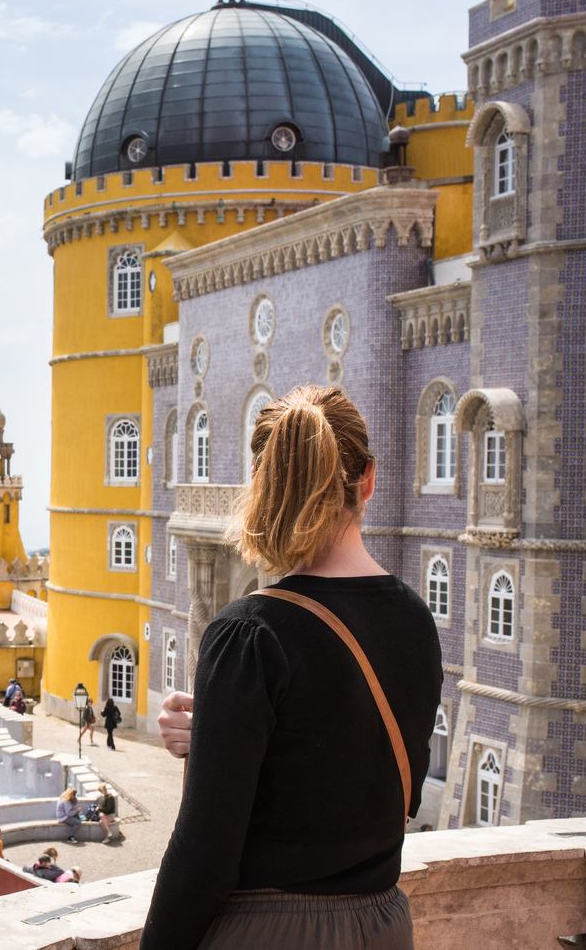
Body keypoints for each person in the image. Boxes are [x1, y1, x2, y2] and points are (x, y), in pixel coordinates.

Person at [141, 386, 441, 950]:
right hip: (382, 926)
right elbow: (388, 791)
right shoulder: (416, 622)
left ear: (262, 488)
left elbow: (204, 857)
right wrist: (220, 730)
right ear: (368, 481)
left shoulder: (248, 635)